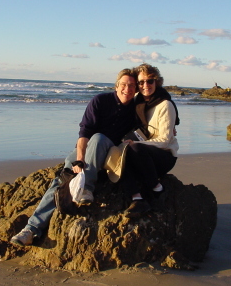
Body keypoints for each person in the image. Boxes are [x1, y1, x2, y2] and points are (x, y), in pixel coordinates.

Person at [10, 68, 137, 246]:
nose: (127, 88)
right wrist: (79, 159)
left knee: (100, 138)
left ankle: (86, 186)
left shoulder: (136, 109)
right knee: (63, 179)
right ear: (116, 86)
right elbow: (84, 132)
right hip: (86, 150)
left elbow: (157, 102)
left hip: (110, 155)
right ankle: (31, 229)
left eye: (131, 85)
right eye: (123, 84)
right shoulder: (100, 101)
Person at [121, 63, 179, 218]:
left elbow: (166, 141)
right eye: (141, 82)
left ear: (157, 82)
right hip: (142, 153)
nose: (145, 85)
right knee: (123, 153)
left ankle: (158, 189)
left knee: (134, 149)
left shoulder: (165, 105)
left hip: (163, 156)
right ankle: (137, 199)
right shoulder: (138, 103)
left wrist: (136, 144)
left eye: (150, 81)